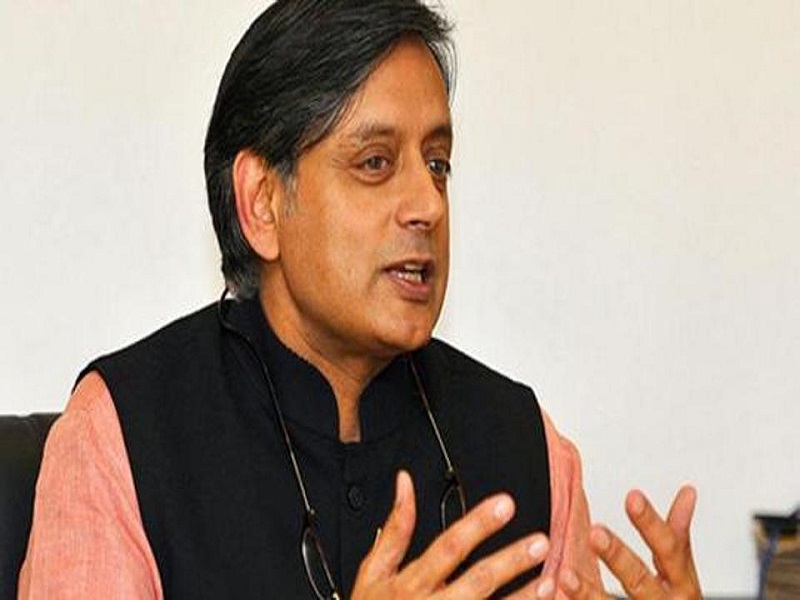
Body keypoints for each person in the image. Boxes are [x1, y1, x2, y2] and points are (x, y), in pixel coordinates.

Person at [19, 1, 701, 598]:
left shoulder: (528, 446)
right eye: (376, 163)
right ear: (262, 203)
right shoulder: (122, 436)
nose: (428, 204)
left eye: (437, 164)